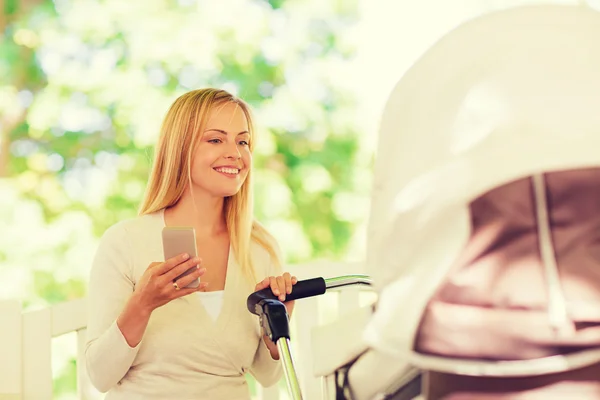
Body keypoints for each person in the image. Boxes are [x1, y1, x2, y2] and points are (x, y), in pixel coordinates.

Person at [85, 88, 297, 400]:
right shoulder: (126, 241)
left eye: (243, 141)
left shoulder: (260, 248)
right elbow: (100, 376)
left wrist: (277, 323)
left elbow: (267, 376)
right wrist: (143, 304)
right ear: (180, 147)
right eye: (215, 139)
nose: (235, 153)